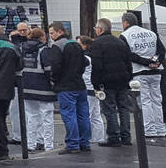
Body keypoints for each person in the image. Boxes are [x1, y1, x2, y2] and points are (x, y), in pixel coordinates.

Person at [88, 18, 134, 147]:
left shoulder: (97, 44)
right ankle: (126, 136)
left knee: (110, 108)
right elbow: (128, 62)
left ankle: (114, 136)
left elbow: (96, 66)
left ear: (100, 29)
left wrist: (95, 83)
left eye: (96, 28)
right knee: (124, 108)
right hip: (122, 80)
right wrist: (128, 77)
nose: (95, 30)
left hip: (107, 81)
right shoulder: (120, 42)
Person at [120, 13, 166, 137]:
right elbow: (161, 50)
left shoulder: (125, 36)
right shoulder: (151, 33)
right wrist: (156, 61)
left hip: (139, 71)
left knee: (145, 101)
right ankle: (160, 128)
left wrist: (146, 62)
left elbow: (129, 55)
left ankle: (150, 130)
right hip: (156, 72)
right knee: (157, 100)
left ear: (125, 23)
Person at [49, 22, 91, 154]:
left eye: (52, 33)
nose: (51, 36)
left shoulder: (57, 46)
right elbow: (84, 63)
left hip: (65, 86)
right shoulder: (76, 44)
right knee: (83, 115)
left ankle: (73, 144)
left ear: (59, 32)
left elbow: (55, 67)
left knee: (69, 115)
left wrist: (55, 80)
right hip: (80, 85)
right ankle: (85, 142)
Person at [0, 23, 22, 158]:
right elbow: (20, 66)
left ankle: (1, 149)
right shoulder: (13, 47)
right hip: (7, 88)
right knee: (1, 116)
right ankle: (2, 147)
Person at [20, 27, 56, 152]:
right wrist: (54, 83)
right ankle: (48, 145)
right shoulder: (43, 50)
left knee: (31, 117)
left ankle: (31, 143)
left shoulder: (22, 49)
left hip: (27, 88)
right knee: (47, 117)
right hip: (43, 88)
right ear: (42, 37)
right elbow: (48, 69)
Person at [77, 36, 107, 144]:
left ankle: (86, 138)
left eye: (79, 44)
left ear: (85, 45)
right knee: (96, 115)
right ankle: (98, 138)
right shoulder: (94, 57)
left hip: (87, 87)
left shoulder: (85, 58)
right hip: (94, 88)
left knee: (87, 115)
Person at [6, 23, 29, 144]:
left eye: (24, 30)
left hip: (17, 82)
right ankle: (24, 135)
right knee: (25, 111)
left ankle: (19, 136)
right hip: (23, 82)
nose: (22, 32)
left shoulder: (11, 48)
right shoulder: (30, 46)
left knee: (16, 110)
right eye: (20, 30)